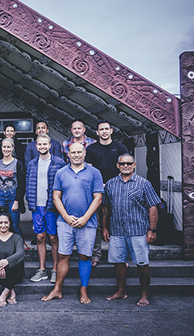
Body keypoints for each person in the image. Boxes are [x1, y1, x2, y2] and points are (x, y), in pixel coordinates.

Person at [42, 143, 104, 304]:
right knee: (63, 255)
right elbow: (56, 197)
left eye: (79, 152)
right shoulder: (61, 173)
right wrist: (67, 217)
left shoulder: (94, 173)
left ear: (84, 153)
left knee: (85, 256)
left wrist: (84, 218)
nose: (76, 155)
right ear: (67, 154)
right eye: (73, 152)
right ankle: (57, 289)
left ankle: (83, 290)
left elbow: (98, 198)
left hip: (87, 223)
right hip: (64, 222)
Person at [103, 154, 160, 307]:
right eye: (122, 164)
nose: (126, 166)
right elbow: (105, 207)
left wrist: (152, 230)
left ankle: (144, 294)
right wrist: (104, 227)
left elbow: (152, 207)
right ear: (117, 165)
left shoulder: (144, 184)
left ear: (134, 165)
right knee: (119, 263)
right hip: (117, 231)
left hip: (138, 231)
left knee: (142, 263)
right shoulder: (110, 184)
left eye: (129, 163)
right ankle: (121, 291)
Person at [85, 120, 129, 266]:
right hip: (97, 191)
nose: (104, 131)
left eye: (106, 129)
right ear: (97, 133)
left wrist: (113, 183)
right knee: (96, 223)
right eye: (101, 129)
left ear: (111, 131)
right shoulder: (91, 149)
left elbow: (126, 169)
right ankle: (96, 255)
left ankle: (121, 256)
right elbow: (89, 172)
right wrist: (99, 185)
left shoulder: (120, 147)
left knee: (118, 221)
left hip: (118, 189)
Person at [25, 134, 66, 284]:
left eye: (45, 144)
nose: (42, 147)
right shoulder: (32, 164)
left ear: (50, 145)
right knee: (40, 237)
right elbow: (28, 181)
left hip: (52, 206)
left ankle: (55, 269)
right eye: (39, 144)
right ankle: (42, 270)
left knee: (53, 238)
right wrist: (30, 200)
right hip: (37, 206)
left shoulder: (59, 162)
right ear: (36, 146)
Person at [0, 208, 25, 306]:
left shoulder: (17, 237)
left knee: (19, 263)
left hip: (14, 271)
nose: (3, 225)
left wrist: (6, 262)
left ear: (10, 223)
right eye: (1, 223)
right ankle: (11, 291)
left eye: (6, 222)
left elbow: (20, 253)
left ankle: (4, 293)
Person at [0, 138, 25, 236]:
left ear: (12, 148)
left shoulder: (18, 164)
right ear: (1, 148)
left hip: (13, 198)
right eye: (4, 147)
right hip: (0, 197)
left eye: (8, 147)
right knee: (0, 226)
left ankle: (18, 250)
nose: (6, 149)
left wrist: (17, 200)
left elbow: (22, 184)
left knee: (14, 226)